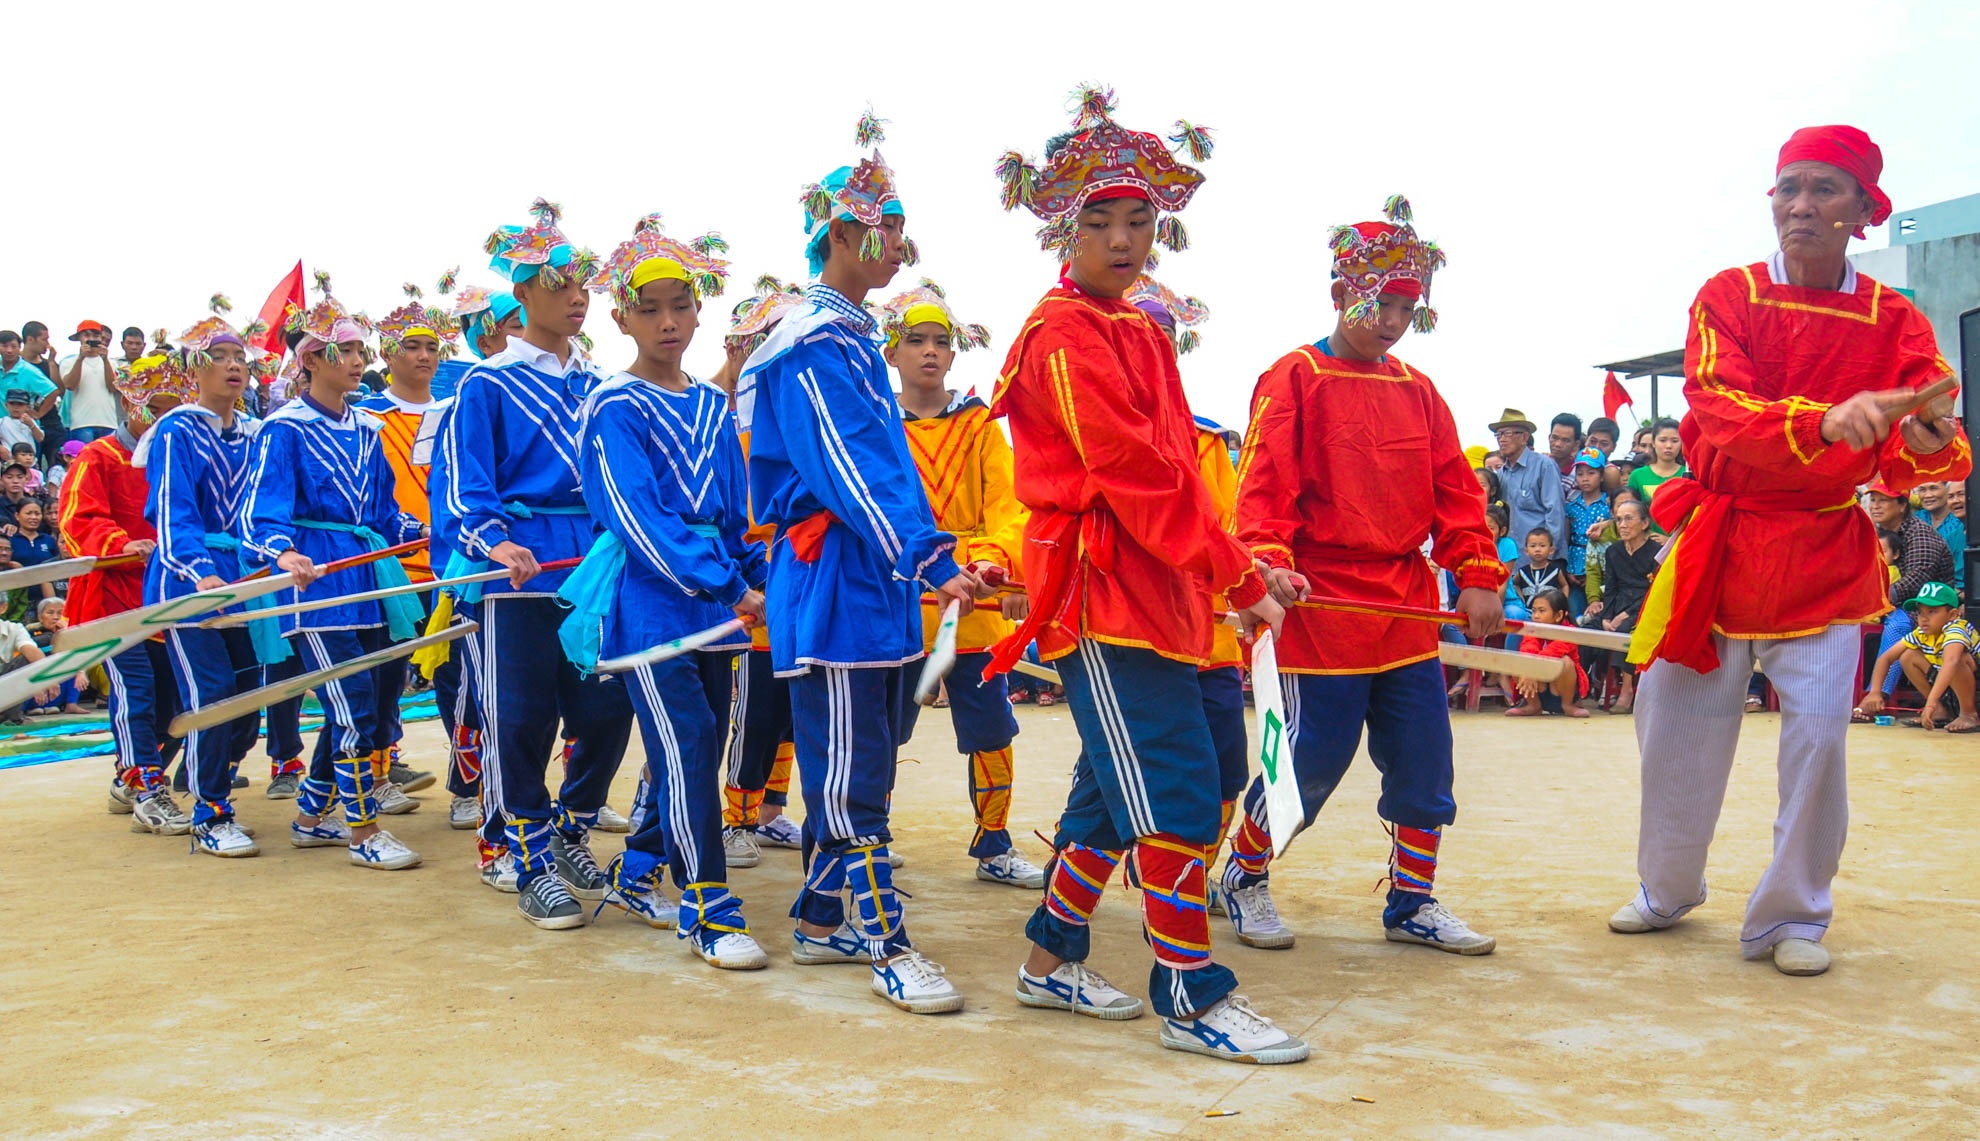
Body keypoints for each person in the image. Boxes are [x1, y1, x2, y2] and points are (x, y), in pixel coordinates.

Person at [989, 87, 1306, 1063]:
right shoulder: (1063, 335)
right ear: (1062, 229)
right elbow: (1128, 477)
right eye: (1100, 220)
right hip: (1104, 593)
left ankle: (1048, 964)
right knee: (1174, 787)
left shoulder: (1134, 328)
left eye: (1140, 220)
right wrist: (1236, 575)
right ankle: (1191, 994)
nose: (1124, 239)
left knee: (1104, 794)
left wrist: (1243, 568)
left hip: (1160, 592)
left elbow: (1178, 476)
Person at [1613, 125, 1971, 978]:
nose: (1801, 206)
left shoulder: (1896, 320)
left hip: (1822, 548)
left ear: (1863, 211)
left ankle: (1792, 914)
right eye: (1789, 189)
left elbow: (1926, 442)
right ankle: (1668, 888)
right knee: (1673, 726)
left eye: (1824, 190)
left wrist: (1923, 428)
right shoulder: (1727, 294)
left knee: (1818, 737)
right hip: (1720, 543)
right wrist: (1819, 419)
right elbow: (1718, 404)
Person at [1215, 193, 1503, 967]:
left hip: (1405, 602)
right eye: (1381, 301)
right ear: (1342, 291)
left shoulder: (1419, 389)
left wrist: (1475, 568)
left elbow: (1456, 491)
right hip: (1320, 602)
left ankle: (1412, 899)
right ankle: (1241, 875)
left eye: (1409, 305)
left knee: (1423, 758)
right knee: (1305, 759)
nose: (1393, 319)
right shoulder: (1295, 376)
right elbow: (1264, 490)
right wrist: (1269, 567)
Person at [740, 115, 980, 1013]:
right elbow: (846, 465)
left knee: (865, 757)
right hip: (837, 580)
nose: (895, 251)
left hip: (866, 581)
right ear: (838, 235)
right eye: (882, 233)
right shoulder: (811, 340)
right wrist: (924, 553)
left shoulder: (848, 339)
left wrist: (931, 557)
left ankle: (819, 916)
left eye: (901, 235)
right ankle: (885, 943)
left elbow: (879, 468)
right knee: (849, 774)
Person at [561, 214, 770, 967]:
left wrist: (757, 581)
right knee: (684, 745)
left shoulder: (716, 409)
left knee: (701, 744)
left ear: (700, 309)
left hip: (715, 608)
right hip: (651, 605)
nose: (668, 321)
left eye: (680, 305)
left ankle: (638, 867)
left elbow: (737, 515)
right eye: (649, 309)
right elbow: (636, 517)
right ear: (620, 317)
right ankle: (709, 906)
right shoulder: (613, 406)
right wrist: (727, 583)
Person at [431, 200, 637, 928]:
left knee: (608, 708)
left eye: (584, 284)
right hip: (517, 571)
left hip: (593, 567)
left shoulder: (601, 382)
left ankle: (570, 825)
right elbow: (463, 485)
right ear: (521, 294)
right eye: (559, 283)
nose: (578, 296)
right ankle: (524, 854)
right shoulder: (484, 384)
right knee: (520, 717)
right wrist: (495, 541)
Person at [247, 278, 428, 871]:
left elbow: (382, 512)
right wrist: (284, 553)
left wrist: (421, 531)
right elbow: (261, 511)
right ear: (314, 360)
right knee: (353, 702)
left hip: (368, 579)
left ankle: (308, 817)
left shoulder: (367, 428)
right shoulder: (285, 427)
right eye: (347, 352)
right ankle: (362, 833)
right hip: (319, 582)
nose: (360, 362)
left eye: (359, 352)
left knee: (372, 699)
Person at [882, 278, 1045, 890]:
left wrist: (991, 561)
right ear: (892, 352)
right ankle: (872, 832)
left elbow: (1010, 503)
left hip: (974, 601)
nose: (929, 351)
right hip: (899, 603)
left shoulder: (980, 425)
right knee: (883, 729)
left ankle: (995, 843)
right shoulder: (877, 424)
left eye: (940, 342)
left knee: (989, 728)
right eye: (915, 340)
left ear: (954, 354)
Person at [1125, 272, 1255, 913]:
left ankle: (1192, 876)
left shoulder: (1208, 441)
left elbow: (1229, 533)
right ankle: (1084, 874)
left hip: (1210, 633)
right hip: (1131, 631)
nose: (1156, 348)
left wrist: (1256, 581)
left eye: (1166, 338)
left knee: (1227, 765)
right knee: (1115, 772)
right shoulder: (1101, 433)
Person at [137, 300, 281, 857]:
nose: (232, 366)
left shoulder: (255, 433)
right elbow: (173, 513)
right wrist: (199, 572)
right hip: (187, 584)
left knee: (250, 696)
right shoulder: (176, 430)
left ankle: (200, 782)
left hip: (244, 580)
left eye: (238, 356)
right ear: (193, 371)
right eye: (217, 357)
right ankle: (210, 812)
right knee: (212, 694)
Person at [63, 349, 187, 831]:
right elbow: (77, 521)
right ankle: (146, 787)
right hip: (114, 596)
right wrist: (119, 543)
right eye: (152, 408)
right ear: (131, 405)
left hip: (171, 593)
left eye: (170, 409)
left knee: (180, 700)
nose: (161, 418)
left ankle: (132, 773)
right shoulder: (99, 456)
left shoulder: (180, 454)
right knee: (136, 691)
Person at [360, 280, 469, 805]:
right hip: (388, 566)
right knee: (383, 674)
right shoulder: (363, 419)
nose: (424, 356)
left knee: (458, 674)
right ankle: (378, 775)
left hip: (449, 560)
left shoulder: (455, 413)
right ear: (387, 353)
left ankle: (469, 782)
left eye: (431, 347)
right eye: (411, 345)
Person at [711, 279, 808, 860]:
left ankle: (771, 810)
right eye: (757, 338)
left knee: (792, 710)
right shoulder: (717, 413)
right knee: (753, 709)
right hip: (748, 581)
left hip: (797, 576)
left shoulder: (792, 410)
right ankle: (736, 818)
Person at [1862, 479, 1956, 707]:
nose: (1875, 506)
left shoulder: (1919, 535)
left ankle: (1878, 695)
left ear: (1902, 505)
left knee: (1898, 626)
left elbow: (1915, 582)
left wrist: (1875, 601)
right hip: (1892, 603)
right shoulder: (1882, 532)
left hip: (1926, 608)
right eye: (1873, 500)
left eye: (1883, 501)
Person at [1855, 582, 1978, 731]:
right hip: (1953, 692)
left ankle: (1969, 714)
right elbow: (1886, 658)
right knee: (1908, 656)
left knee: (1958, 660)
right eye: (1920, 612)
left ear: (1952, 615)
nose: (1924, 618)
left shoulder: (1956, 629)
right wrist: (1874, 692)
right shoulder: (1921, 632)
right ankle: (1940, 711)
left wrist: (1929, 703)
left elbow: (1952, 662)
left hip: (1975, 693)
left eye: (1932, 612)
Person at [1583, 497, 1656, 713]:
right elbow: (1612, 588)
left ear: (1644, 523)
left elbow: (1653, 592)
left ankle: (1626, 690)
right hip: (1618, 603)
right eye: (1619, 520)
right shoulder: (1613, 551)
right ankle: (1578, 687)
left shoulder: (1656, 552)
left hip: (1645, 606)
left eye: (1628, 519)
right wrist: (1606, 617)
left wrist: (1625, 615)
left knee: (1625, 632)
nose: (1622, 525)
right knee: (1588, 630)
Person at [1489, 408, 1565, 555]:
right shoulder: (1501, 474)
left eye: (1507, 433)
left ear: (1524, 437)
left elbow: (1555, 513)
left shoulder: (1544, 466)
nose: (1502, 439)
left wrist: (1550, 556)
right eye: (1498, 434)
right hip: (1510, 559)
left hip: (1540, 559)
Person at [1506, 589, 1590, 718]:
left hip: (1562, 690)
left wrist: (1530, 671)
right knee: (1520, 660)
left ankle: (1568, 706)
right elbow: (1528, 649)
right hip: (1538, 688)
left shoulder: (1571, 632)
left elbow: (1551, 653)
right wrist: (1528, 669)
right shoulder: (1532, 630)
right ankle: (1533, 705)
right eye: (1533, 611)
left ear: (1559, 615)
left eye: (1542, 611)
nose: (1536, 616)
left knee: (1565, 662)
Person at [59, 318, 126, 446]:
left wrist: (105, 360)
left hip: (109, 422)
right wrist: (81, 358)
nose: (91, 339)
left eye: (95, 335)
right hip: (81, 423)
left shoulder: (113, 363)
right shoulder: (69, 362)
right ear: (80, 338)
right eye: (87, 335)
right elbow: (70, 385)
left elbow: (113, 388)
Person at [1564, 448, 1611, 616]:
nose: (1585, 478)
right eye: (1580, 474)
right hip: (1575, 570)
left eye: (1591, 473)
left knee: (1600, 614)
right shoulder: (1570, 506)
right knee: (1577, 615)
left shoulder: (1609, 505)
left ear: (1602, 476)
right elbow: (1568, 539)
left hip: (1602, 568)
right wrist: (1569, 569)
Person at [1627, 417, 1686, 534]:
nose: (1668, 446)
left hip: (1678, 544)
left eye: (1675, 441)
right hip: (1646, 544)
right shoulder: (1637, 475)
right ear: (1653, 443)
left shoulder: (1688, 475)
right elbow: (1630, 510)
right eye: (1663, 440)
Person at [1916, 481, 1966, 592]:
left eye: (1933, 488)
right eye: (1922, 490)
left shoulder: (1960, 521)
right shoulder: (1916, 519)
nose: (1927, 495)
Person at [1547, 413, 1583, 498]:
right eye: (1554, 438)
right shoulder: (1537, 465)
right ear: (1549, 437)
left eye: (1565, 440)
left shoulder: (1579, 475)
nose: (1558, 444)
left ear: (1576, 445)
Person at [0, 391, 43, 456]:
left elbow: (40, 438)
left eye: (20, 404)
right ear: (6, 405)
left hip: (29, 459)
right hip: (10, 460)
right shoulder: (2, 422)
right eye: (12, 403)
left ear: (27, 407)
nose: (15, 407)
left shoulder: (30, 421)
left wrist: (31, 425)